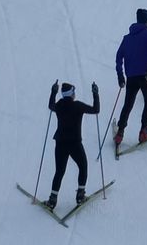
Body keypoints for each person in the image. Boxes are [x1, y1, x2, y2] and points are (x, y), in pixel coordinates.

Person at [44, 81, 100, 209]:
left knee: (59, 171)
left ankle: (52, 200)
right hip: (74, 144)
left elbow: (50, 105)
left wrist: (53, 92)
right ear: (72, 94)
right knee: (83, 166)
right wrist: (96, 95)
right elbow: (96, 110)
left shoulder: (59, 105)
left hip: (60, 143)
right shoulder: (78, 106)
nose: (75, 94)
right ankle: (80, 196)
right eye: (74, 92)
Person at [114, 9, 147, 145]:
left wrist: (120, 76)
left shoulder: (127, 38)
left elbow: (118, 57)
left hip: (131, 77)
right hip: (146, 76)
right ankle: (143, 132)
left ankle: (120, 133)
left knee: (128, 104)